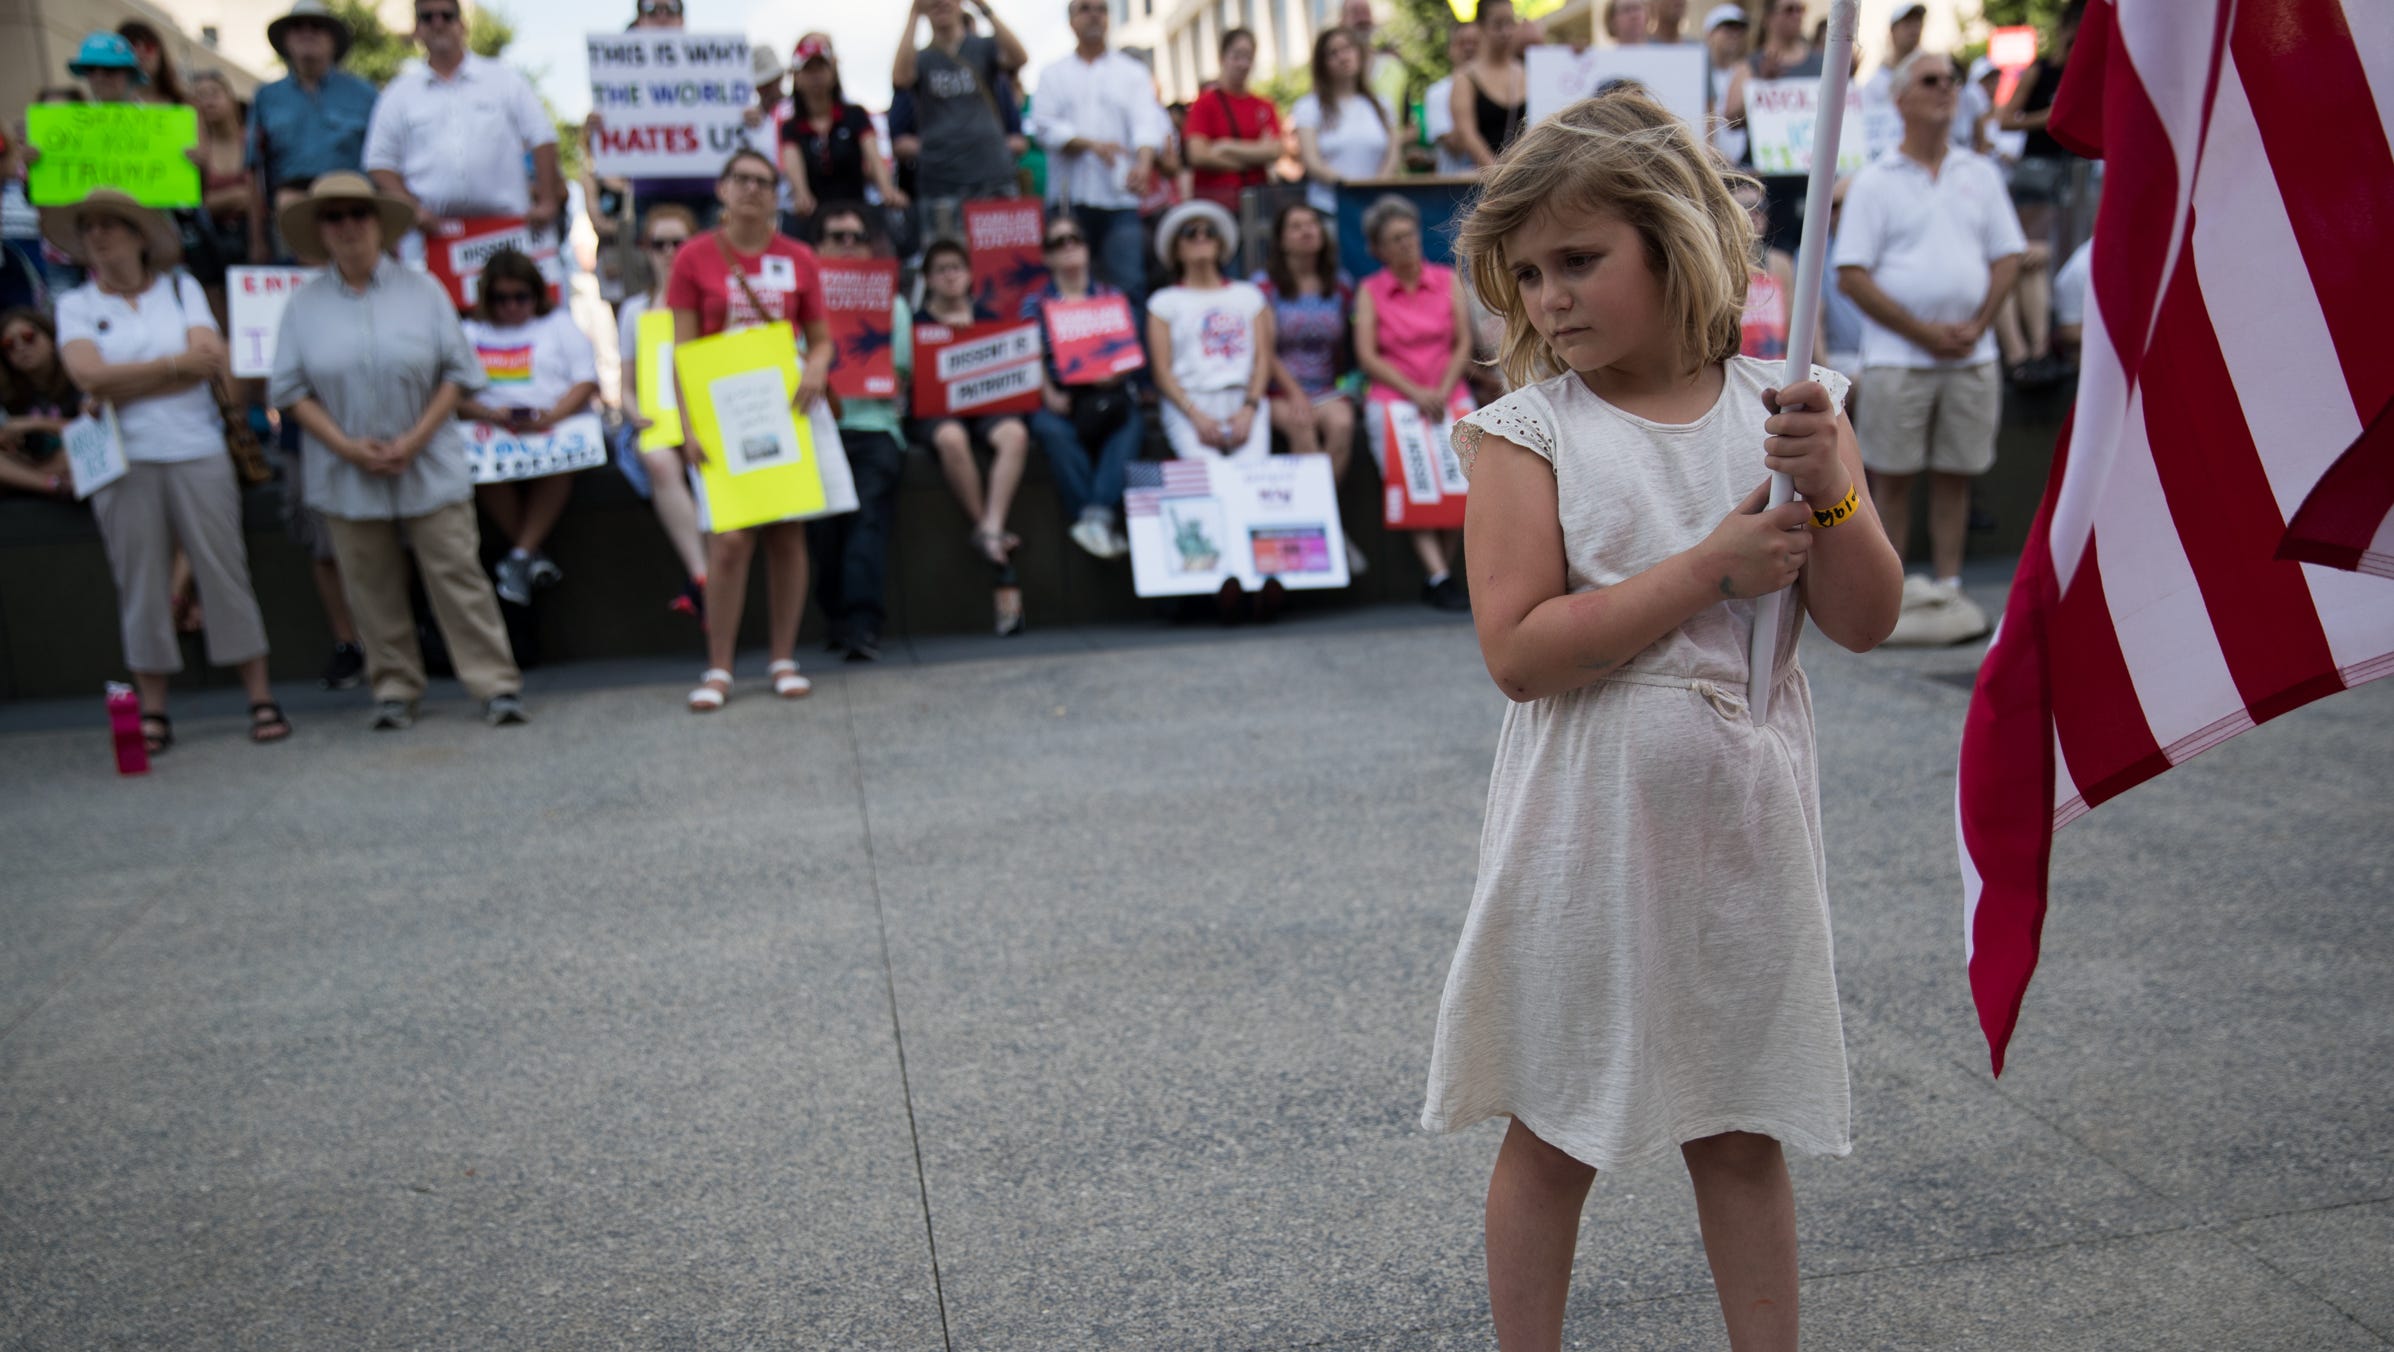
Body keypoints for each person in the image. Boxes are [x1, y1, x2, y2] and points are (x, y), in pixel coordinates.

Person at [1424, 89, 1903, 1352]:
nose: (1550, 297)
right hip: (1589, 824)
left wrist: (1834, 490)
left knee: (1741, 1123)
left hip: (1744, 819)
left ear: (1675, 242)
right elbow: (1519, 651)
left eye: (1580, 260)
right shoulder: (1528, 433)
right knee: (1556, 1122)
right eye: (1529, 273)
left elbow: (1864, 617)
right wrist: (1706, 570)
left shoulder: (1792, 408)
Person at [270, 173, 526, 729]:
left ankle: (495, 684)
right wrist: (345, 446)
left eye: (357, 214)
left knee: (457, 573)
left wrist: (414, 438)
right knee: (368, 583)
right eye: (333, 217)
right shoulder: (303, 305)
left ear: (379, 223)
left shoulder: (423, 290)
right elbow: (288, 391)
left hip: (427, 456)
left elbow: (460, 374)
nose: (347, 227)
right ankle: (394, 687)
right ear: (320, 230)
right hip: (344, 465)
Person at [48, 190, 289, 750]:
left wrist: (123, 380)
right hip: (123, 459)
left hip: (197, 447)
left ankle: (259, 695)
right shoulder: (76, 304)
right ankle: (153, 708)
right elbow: (89, 377)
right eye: (89, 228)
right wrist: (175, 367)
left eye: (110, 225)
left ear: (139, 236)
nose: (98, 236)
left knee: (225, 571)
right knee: (140, 582)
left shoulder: (182, 289)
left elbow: (209, 360)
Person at [1834, 50, 2024, 647]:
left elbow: (2009, 256)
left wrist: (1978, 323)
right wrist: (1924, 333)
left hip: (1971, 355)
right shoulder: (1874, 180)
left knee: (1955, 477)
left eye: (1952, 80)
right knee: (1890, 480)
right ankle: (1885, 598)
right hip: (1899, 357)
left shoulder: (1981, 173)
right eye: (1931, 80)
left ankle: (1949, 587)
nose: (1946, 88)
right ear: (1900, 100)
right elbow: (1851, 273)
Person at [665, 148, 833, 707]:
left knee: (787, 533)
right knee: (730, 540)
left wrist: (816, 365)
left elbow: (822, 339)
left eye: (764, 181)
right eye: (743, 179)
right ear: (722, 188)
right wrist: (687, 427)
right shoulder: (693, 257)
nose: (754, 189)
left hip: (784, 408)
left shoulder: (799, 257)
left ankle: (783, 658)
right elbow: (681, 352)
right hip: (721, 413)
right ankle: (719, 669)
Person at [456, 249, 598, 606]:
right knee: (484, 472)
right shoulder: (469, 332)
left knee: (560, 467)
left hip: (552, 430)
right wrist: (490, 414)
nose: (511, 307)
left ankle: (521, 555)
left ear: (536, 293)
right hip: (491, 433)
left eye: (521, 297)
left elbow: (585, 380)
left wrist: (551, 416)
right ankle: (528, 555)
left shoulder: (558, 324)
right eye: (501, 298)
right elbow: (450, 394)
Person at [1354, 195, 1474, 611]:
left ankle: (1442, 575)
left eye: (1410, 234)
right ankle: (1438, 575)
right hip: (1396, 398)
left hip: (1448, 392)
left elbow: (1463, 343)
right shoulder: (1370, 291)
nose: (1407, 244)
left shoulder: (1446, 280)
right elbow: (1367, 355)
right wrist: (1416, 393)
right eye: (1396, 239)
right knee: (1412, 480)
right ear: (1379, 249)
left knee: (1461, 478)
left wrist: (1442, 388)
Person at [363, 0, 564, 241]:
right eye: (427, 17)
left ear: (462, 24)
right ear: (417, 29)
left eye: (446, 15)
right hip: (433, 237)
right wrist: (413, 209)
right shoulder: (398, 94)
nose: (438, 24)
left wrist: (547, 201)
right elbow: (379, 161)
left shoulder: (504, 79)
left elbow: (542, 136)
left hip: (507, 229)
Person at [914, 237, 1032, 636]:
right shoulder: (917, 323)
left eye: (956, 267)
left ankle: (990, 527)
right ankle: (987, 529)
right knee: (950, 439)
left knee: (1015, 434)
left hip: (986, 407)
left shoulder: (989, 318)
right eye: (941, 269)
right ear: (928, 279)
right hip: (938, 412)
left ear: (969, 275)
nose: (950, 276)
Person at [811, 202, 911, 660]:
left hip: (874, 428)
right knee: (823, 532)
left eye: (857, 237)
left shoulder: (894, 305)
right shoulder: (803, 308)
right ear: (818, 247)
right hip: (819, 429)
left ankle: (862, 625)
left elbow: (902, 371)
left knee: (867, 521)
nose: (848, 244)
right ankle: (838, 621)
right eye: (837, 236)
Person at [1031, 0, 1169, 307]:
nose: (1094, 15)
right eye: (1085, 8)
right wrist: (1091, 145)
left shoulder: (1132, 73)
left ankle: (1129, 341)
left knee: (1128, 286)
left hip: (1119, 199)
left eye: (1101, 9)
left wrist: (1144, 164)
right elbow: (1044, 128)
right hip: (1069, 200)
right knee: (1068, 289)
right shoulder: (1053, 74)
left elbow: (1147, 125)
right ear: (1071, 20)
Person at [1021, 213, 1141, 562]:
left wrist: (1114, 374)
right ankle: (1097, 519)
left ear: (1088, 249)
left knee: (1130, 426)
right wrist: (1048, 393)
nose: (1069, 247)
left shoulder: (1111, 295)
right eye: (1059, 242)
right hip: (1060, 395)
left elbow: (1128, 352)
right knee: (1051, 431)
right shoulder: (1034, 303)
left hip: (1108, 392)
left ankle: (1093, 517)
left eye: (1075, 239)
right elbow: (1029, 355)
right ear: (1047, 256)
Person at [616, 204, 709, 617]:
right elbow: (625, 386)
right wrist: (635, 411)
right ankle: (703, 575)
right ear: (646, 250)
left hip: (703, 418)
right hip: (657, 422)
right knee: (655, 458)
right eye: (659, 244)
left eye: (678, 243)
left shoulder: (709, 302)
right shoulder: (634, 311)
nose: (669, 252)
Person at [247, 0, 380, 265]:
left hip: (353, 206)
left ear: (333, 40)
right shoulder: (266, 97)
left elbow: (383, 161)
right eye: (297, 27)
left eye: (317, 27)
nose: (307, 32)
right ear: (286, 41)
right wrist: (256, 239)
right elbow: (253, 171)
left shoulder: (365, 94)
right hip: (291, 210)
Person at [1146, 199, 1272, 465]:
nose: (1201, 238)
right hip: (1189, 402)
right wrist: (1195, 415)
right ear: (1176, 248)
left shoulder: (1249, 295)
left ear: (1220, 244)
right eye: (1190, 233)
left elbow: (1263, 359)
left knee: (1251, 477)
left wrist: (1250, 408)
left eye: (1209, 232)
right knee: (1208, 476)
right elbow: (1161, 371)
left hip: (1245, 400)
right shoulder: (1163, 302)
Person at [892, 0, 1028, 245]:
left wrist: (983, 7)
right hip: (941, 179)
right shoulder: (922, 58)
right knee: (946, 260)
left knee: (1001, 259)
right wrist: (914, 14)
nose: (940, 3)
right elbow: (900, 79)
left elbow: (1019, 57)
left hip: (992, 175)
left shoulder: (983, 47)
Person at [1253, 203, 1358, 519]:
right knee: (1302, 426)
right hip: (1278, 388)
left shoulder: (1341, 284)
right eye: (1296, 226)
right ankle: (1317, 521)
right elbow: (1264, 349)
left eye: (1312, 224)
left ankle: (1320, 517)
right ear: (1281, 240)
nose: (1307, 231)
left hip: (1326, 386)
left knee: (1342, 424)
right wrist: (1295, 393)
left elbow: (1349, 345)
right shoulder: (1263, 285)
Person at [780, 36, 907, 237]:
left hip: (856, 212)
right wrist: (802, 195)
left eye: (821, 68)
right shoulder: (791, 127)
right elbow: (793, 166)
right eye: (808, 70)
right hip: (815, 218)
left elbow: (874, 156)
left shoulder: (855, 115)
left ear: (833, 73)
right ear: (797, 77)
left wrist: (887, 189)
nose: (816, 76)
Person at [1293, 28, 1400, 216]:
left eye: (1348, 48)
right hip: (1329, 208)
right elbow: (1312, 162)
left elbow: (1393, 154)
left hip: (1375, 208)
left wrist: (1377, 185)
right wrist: (1349, 187)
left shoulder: (1382, 105)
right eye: (1333, 53)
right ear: (1322, 64)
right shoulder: (1308, 107)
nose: (1343, 57)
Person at [1182, 29, 1283, 214]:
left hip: (1257, 200)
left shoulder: (1264, 106)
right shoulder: (1204, 104)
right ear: (1222, 58)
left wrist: (1225, 147)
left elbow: (1274, 150)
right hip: (1216, 203)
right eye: (1237, 56)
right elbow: (1198, 155)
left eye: (1248, 57)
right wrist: (1254, 156)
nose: (1243, 64)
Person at [0, 308, 81, 499]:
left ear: (51, 338)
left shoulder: (77, 376)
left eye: (28, 337)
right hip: (39, 467)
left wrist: (33, 423)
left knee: (69, 454)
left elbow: (97, 431)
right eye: (9, 344)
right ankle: (52, 485)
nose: (20, 347)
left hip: (78, 457)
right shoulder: (10, 394)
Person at [186, 71, 252, 303]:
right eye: (200, 97)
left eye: (214, 93)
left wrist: (219, 200)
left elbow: (260, 197)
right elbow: (195, 207)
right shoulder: (194, 151)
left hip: (254, 239)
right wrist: (237, 196)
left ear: (231, 97)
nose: (208, 102)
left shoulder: (254, 141)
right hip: (210, 248)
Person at [1450, 0, 1530, 172]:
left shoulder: (1527, 72)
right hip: (1488, 177)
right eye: (1498, 25)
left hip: (1528, 174)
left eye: (1510, 23)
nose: (1506, 32)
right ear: (1481, 27)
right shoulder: (1465, 78)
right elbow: (1467, 134)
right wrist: (1498, 174)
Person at [1421, 22, 1482, 178]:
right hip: (1454, 186)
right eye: (1462, 43)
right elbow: (1456, 146)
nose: (1469, 48)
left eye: (1475, 42)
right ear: (1450, 49)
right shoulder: (1436, 92)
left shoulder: (1502, 88)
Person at [1700, 4, 1751, 164]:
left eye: (1739, 30)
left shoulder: (1747, 73)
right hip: (1707, 163)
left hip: (1742, 166)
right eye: (1727, 29)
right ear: (1710, 33)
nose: (1735, 35)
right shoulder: (1699, 73)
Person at [1858, 3, 1926, 108]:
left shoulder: (1933, 75)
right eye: (1908, 23)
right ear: (1893, 30)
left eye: (1918, 23)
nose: (1915, 29)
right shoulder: (1875, 83)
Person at [116, 22, 190, 106]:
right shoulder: (109, 98)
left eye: (149, 47)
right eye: (132, 46)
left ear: (160, 54)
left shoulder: (181, 103)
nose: (141, 53)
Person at [66, 32, 146, 105]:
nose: (99, 77)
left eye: (109, 68)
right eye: (90, 68)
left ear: (130, 74)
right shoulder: (76, 115)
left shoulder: (150, 115)